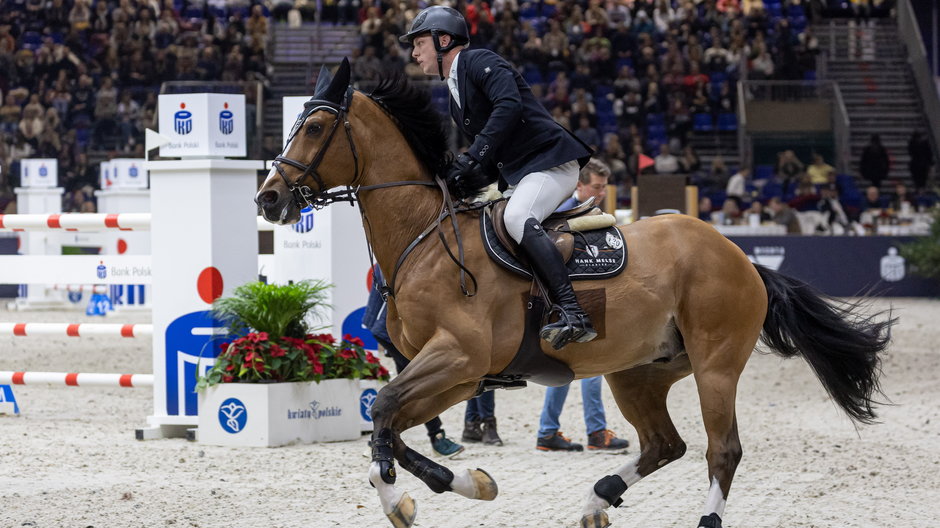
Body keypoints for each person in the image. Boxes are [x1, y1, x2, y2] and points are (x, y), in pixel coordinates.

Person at [401, 6, 595, 350]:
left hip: (550, 163)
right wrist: (463, 178)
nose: (414, 53)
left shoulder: (478, 61)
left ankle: (573, 311)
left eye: (419, 44)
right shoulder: (455, 96)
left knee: (518, 217)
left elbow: (509, 107)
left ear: (443, 40)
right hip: (523, 172)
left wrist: (472, 156)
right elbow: (496, 151)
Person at [537, 159, 629, 452]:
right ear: (580, 184)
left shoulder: (591, 209)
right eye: (596, 187)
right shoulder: (562, 209)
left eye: (603, 187)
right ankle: (595, 431)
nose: (601, 192)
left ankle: (549, 432)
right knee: (590, 365)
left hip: (585, 290)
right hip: (570, 294)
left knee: (567, 366)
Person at [362, 266, 465, 458]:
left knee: (411, 387)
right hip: (390, 331)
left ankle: (381, 438)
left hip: (388, 329)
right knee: (417, 385)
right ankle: (436, 437)